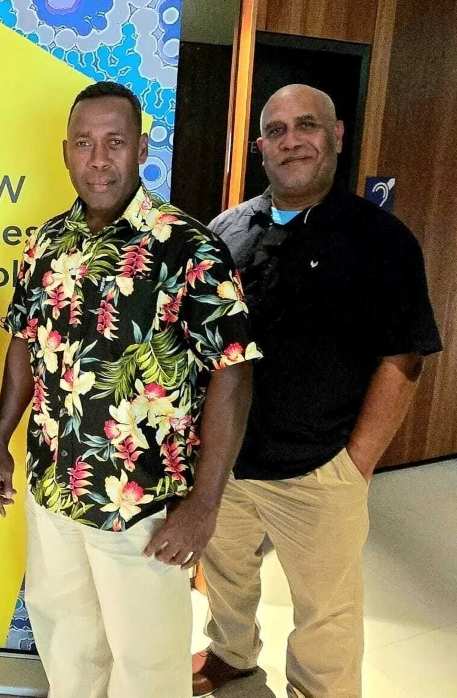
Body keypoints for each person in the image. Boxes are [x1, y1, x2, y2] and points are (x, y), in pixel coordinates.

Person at [0, 81, 260, 697]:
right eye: (85, 143)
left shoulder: (188, 248)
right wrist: (2, 441)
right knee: (68, 646)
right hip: (54, 488)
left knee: (149, 665)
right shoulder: (45, 244)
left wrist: (206, 505)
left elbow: (233, 374)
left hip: (144, 504)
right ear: (66, 152)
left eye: (115, 142)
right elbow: (25, 344)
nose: (99, 158)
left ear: (141, 148)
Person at [193, 84, 442, 698]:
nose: (291, 140)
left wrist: (356, 463)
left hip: (321, 468)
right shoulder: (226, 231)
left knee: (325, 615)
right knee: (226, 577)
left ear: (336, 136)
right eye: (276, 131)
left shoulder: (381, 240)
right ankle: (231, 654)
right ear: (260, 148)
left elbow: (403, 357)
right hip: (230, 461)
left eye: (306, 125)